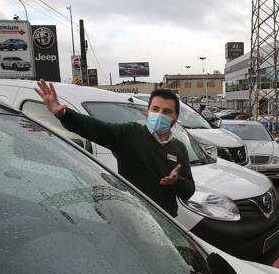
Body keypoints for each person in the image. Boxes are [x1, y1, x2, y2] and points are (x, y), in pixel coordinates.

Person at [34, 80, 195, 217]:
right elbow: (96, 128)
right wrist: (63, 115)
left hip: (167, 219)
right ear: (148, 111)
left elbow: (188, 191)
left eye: (166, 111)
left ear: (175, 116)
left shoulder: (178, 147)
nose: (159, 114)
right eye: (155, 109)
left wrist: (176, 181)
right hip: (136, 216)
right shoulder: (129, 133)